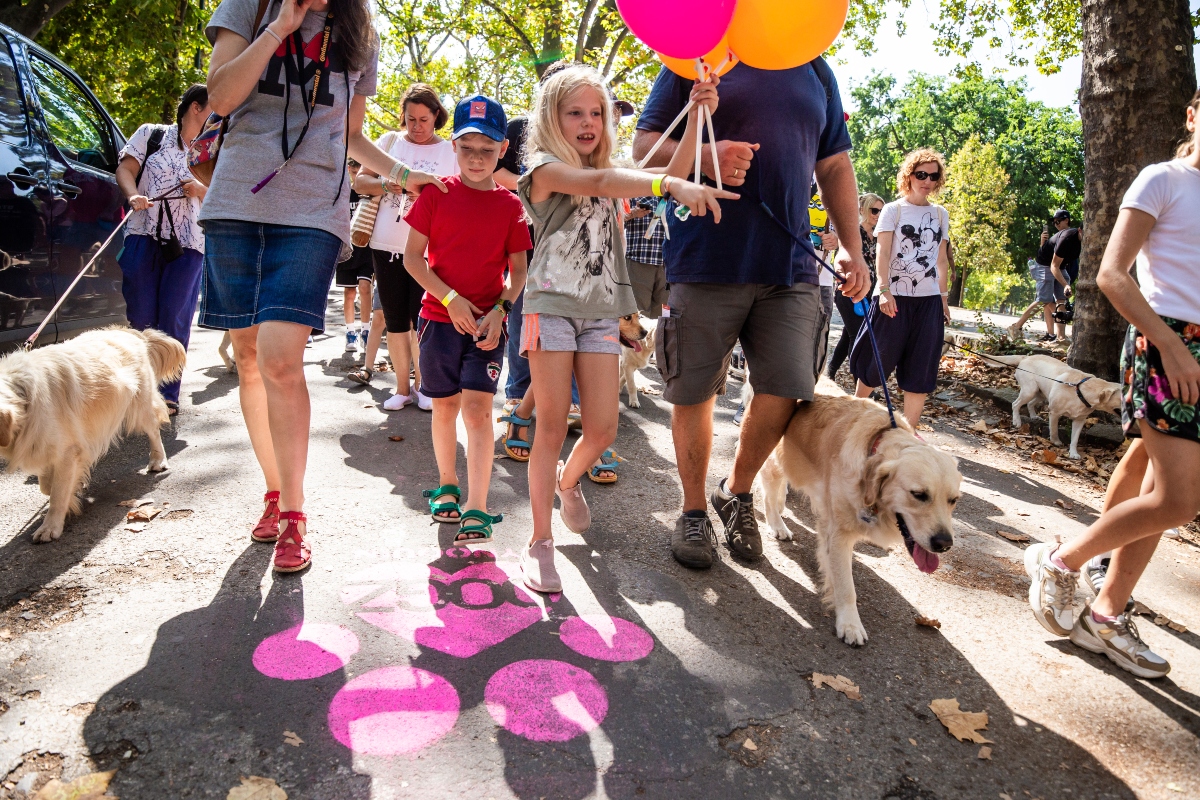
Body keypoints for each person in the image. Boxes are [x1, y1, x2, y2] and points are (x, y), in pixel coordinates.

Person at [201, 0, 445, 573]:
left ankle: (294, 512)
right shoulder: (249, 6)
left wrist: (408, 177)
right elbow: (220, 96)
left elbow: (352, 135)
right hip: (237, 199)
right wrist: (281, 27)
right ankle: (273, 489)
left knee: (282, 360)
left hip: (313, 211)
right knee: (249, 357)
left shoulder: (359, 29)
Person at [635, 57, 869, 569]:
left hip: (791, 265)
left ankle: (736, 491)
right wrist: (706, 154)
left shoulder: (813, 64)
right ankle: (693, 510)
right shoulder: (697, 52)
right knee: (694, 391)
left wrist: (852, 246)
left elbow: (833, 165)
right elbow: (645, 151)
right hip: (704, 258)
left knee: (788, 389)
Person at [518, 64, 737, 592]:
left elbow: (658, 179)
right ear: (553, 118)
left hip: (599, 314)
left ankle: (568, 484)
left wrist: (697, 116)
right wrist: (670, 181)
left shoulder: (614, 173)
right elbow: (600, 181)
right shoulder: (543, 170)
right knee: (550, 426)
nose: (588, 121)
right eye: (575, 112)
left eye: (597, 112)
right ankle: (540, 541)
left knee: (603, 431)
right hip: (549, 308)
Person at [1024, 90, 1200, 679]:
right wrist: (1171, 345)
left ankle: (1104, 615)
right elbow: (1111, 276)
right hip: (1165, 341)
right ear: (1193, 114)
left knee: (1153, 479)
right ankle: (1062, 559)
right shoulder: (1164, 179)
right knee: (1179, 499)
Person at [404, 94, 531, 543]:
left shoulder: (511, 206)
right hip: (438, 319)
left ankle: (478, 506)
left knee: (479, 411)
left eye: (487, 149)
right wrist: (451, 298)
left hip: (487, 326)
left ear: (501, 151)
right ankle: (447, 484)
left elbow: (519, 273)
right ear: (453, 147)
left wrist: (500, 311)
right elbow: (413, 260)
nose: (477, 158)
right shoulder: (437, 194)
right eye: (467, 147)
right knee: (445, 406)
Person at [352, 83, 456, 406]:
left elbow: (455, 196)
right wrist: (388, 183)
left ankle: (425, 387)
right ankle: (401, 389)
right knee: (395, 320)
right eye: (410, 118)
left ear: (436, 116)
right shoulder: (389, 142)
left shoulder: (449, 151)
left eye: (424, 119)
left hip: (427, 250)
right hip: (385, 244)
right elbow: (360, 182)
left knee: (422, 319)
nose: (416, 126)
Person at [114, 83, 211, 415]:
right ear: (196, 107)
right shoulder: (150, 135)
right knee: (140, 316)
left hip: (190, 244)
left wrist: (201, 188)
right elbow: (125, 170)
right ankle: (140, 390)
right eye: (215, 108)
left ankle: (168, 393)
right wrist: (132, 195)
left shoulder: (216, 150)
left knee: (174, 316)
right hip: (143, 234)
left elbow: (229, 197)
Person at [850, 149, 950, 430]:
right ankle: (853, 420)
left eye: (933, 175)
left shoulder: (941, 214)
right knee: (876, 362)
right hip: (893, 298)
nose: (927, 181)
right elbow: (882, 253)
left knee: (920, 369)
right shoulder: (892, 210)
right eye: (921, 174)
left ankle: (908, 434)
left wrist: (943, 298)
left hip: (928, 301)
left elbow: (941, 260)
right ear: (909, 175)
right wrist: (883, 289)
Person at [827, 193, 882, 378]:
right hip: (848, 291)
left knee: (849, 333)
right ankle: (860, 380)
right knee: (857, 334)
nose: (878, 215)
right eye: (874, 210)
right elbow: (840, 258)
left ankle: (830, 371)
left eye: (881, 211)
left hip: (869, 293)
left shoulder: (881, 236)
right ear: (862, 210)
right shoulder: (852, 234)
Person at [1008, 210, 1078, 343]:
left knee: (1061, 300)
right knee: (1044, 300)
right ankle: (1016, 327)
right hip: (1046, 265)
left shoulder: (1072, 236)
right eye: (1054, 222)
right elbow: (1048, 258)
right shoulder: (1063, 237)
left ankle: (1061, 338)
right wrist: (1042, 242)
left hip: (1059, 266)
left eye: (1058, 221)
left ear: (1066, 220)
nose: (1056, 224)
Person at [337, 158, 374, 356]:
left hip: (366, 249)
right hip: (346, 248)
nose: (357, 170)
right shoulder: (343, 193)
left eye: (362, 166)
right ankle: (350, 332)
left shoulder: (370, 193)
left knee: (365, 287)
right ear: (349, 169)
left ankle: (366, 331)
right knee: (349, 293)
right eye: (354, 167)